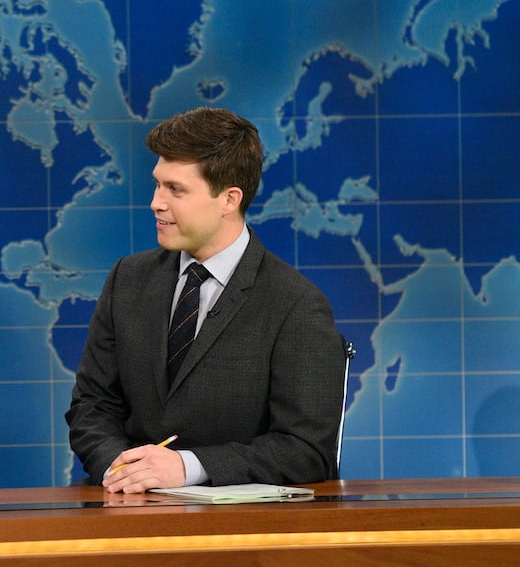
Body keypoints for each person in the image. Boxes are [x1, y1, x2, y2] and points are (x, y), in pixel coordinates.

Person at [66, 106, 345, 493]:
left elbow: (307, 450)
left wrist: (188, 467)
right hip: (127, 518)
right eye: (157, 184)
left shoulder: (295, 305)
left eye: (176, 190)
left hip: (238, 540)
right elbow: (92, 406)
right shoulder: (127, 280)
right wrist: (123, 468)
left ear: (229, 199)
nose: (156, 203)